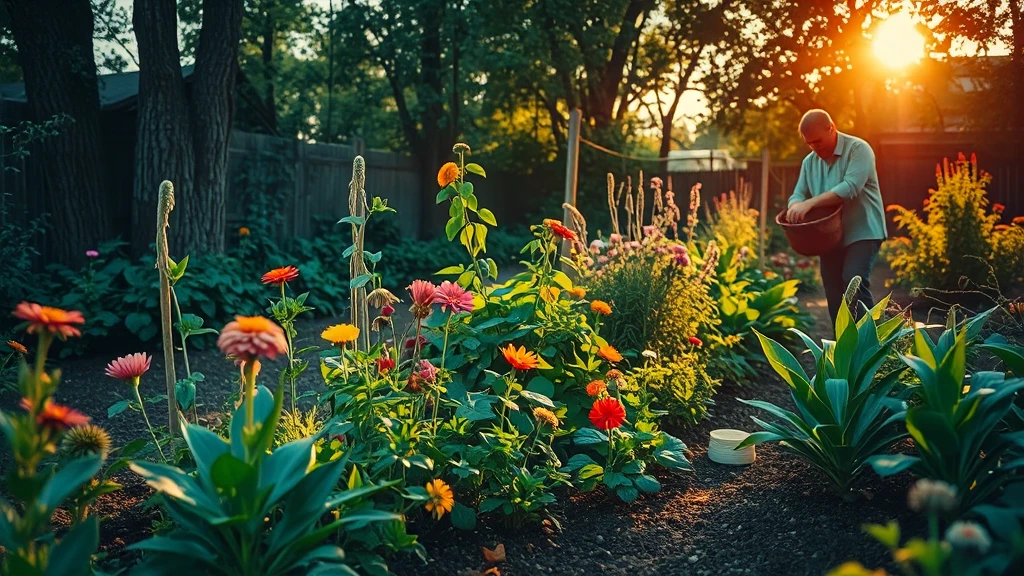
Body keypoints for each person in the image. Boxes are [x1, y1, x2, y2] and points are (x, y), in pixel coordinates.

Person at [785, 110, 887, 325]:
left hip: (863, 231)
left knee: (853, 282)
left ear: (831, 128)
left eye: (818, 141)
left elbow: (850, 187)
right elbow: (798, 194)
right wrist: (794, 206)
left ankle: (874, 345)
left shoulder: (859, 149)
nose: (814, 147)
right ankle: (842, 348)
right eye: (809, 143)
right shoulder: (809, 162)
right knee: (833, 290)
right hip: (829, 236)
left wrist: (810, 203)